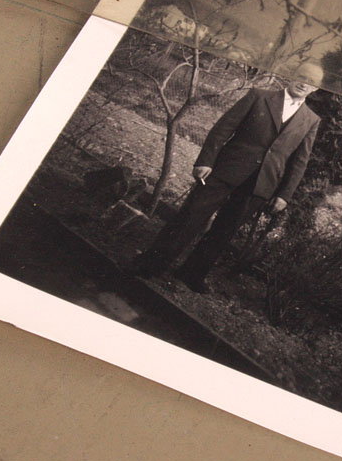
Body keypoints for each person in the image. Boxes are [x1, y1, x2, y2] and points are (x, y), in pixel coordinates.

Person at [134, 63, 323, 292]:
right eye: (301, 76)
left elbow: (300, 161)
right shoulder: (259, 96)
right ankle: (151, 264)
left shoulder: (311, 120)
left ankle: (191, 274)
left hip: (261, 183)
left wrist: (284, 194)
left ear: (316, 88)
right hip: (225, 169)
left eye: (311, 82)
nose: (304, 83)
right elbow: (223, 128)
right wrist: (206, 161)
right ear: (291, 75)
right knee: (190, 217)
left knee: (224, 232)